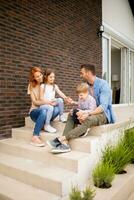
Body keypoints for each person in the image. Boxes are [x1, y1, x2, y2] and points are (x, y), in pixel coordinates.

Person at [47, 64, 116, 153]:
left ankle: (62, 138)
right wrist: (74, 104)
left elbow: (103, 107)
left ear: (88, 73)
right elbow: (85, 102)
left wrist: (87, 113)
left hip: (103, 114)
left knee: (89, 119)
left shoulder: (103, 84)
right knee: (71, 115)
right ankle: (65, 144)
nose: (80, 75)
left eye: (82, 73)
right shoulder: (86, 86)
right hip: (90, 111)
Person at [28, 67, 60, 147]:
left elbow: (53, 97)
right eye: (37, 76)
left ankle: (43, 123)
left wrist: (55, 101)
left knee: (57, 110)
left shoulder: (47, 85)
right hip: (35, 111)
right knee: (43, 111)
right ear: (34, 78)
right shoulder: (31, 85)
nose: (40, 77)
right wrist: (48, 102)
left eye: (40, 75)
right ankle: (35, 136)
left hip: (47, 108)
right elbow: (35, 102)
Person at [40, 68, 72, 133]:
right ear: (46, 77)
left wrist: (66, 98)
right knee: (50, 107)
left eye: (54, 77)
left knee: (60, 100)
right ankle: (47, 125)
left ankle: (61, 116)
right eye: (51, 77)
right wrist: (49, 102)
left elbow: (60, 93)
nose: (53, 78)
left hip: (52, 103)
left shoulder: (54, 86)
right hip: (44, 105)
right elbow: (41, 98)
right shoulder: (43, 86)